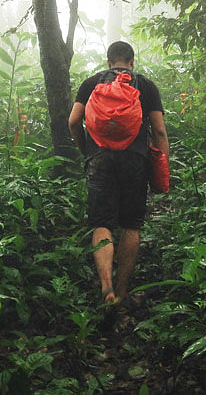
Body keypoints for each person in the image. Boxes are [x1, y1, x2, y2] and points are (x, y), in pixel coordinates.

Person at [68, 41, 169, 306]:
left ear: (109, 61)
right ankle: (123, 290)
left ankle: (106, 287)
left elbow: (73, 121)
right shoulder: (146, 86)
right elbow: (158, 130)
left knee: (102, 223)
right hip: (135, 160)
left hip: (99, 158)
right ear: (132, 62)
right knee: (131, 224)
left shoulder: (91, 84)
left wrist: (86, 149)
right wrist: (163, 165)